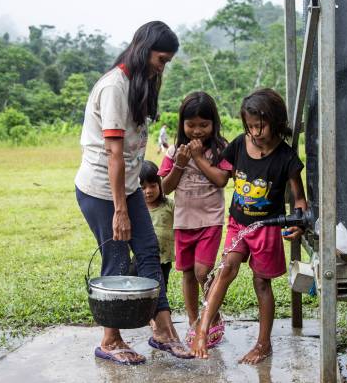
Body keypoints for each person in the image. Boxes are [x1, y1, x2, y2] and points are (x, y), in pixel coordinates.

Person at [75, 20, 192, 365]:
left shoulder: (137, 84)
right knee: (115, 259)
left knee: (148, 252)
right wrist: (120, 210)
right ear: (144, 52)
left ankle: (164, 332)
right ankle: (110, 341)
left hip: (127, 189)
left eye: (167, 61)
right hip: (101, 193)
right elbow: (114, 154)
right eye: (161, 59)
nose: (163, 67)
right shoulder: (114, 87)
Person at [190, 88, 307, 364]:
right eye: (250, 126)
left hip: (266, 226)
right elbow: (221, 178)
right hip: (238, 223)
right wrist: (197, 159)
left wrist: (299, 222)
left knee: (261, 283)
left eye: (260, 125)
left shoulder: (286, 157)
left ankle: (263, 343)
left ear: (276, 120)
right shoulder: (241, 144)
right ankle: (201, 331)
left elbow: (299, 198)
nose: (255, 132)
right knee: (226, 268)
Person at [158, 91, 229, 348]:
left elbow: (222, 179)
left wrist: (198, 158)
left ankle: (212, 314)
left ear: (214, 124)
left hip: (210, 219)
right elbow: (164, 188)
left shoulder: (220, 148)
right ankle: (193, 320)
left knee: (202, 271)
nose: (197, 130)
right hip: (183, 221)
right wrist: (180, 163)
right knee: (187, 274)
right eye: (191, 125)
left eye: (204, 125)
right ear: (182, 124)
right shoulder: (176, 150)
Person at [128, 160, 175, 292]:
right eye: (142, 188)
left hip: (164, 259)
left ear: (160, 185)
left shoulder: (169, 205)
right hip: (139, 258)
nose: (148, 191)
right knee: (135, 287)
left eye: (153, 186)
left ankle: (158, 311)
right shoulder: (135, 209)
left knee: (160, 289)